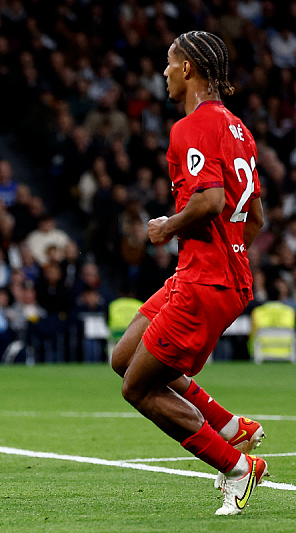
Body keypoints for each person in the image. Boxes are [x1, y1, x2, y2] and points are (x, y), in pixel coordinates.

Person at [110, 32, 267, 516]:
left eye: (169, 63)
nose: (163, 73)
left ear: (188, 70)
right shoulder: (238, 128)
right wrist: (227, 254)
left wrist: (166, 227)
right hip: (207, 273)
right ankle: (225, 424)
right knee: (125, 356)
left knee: (137, 387)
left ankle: (237, 468)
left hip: (206, 282)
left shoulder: (191, 127)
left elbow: (211, 201)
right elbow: (254, 216)